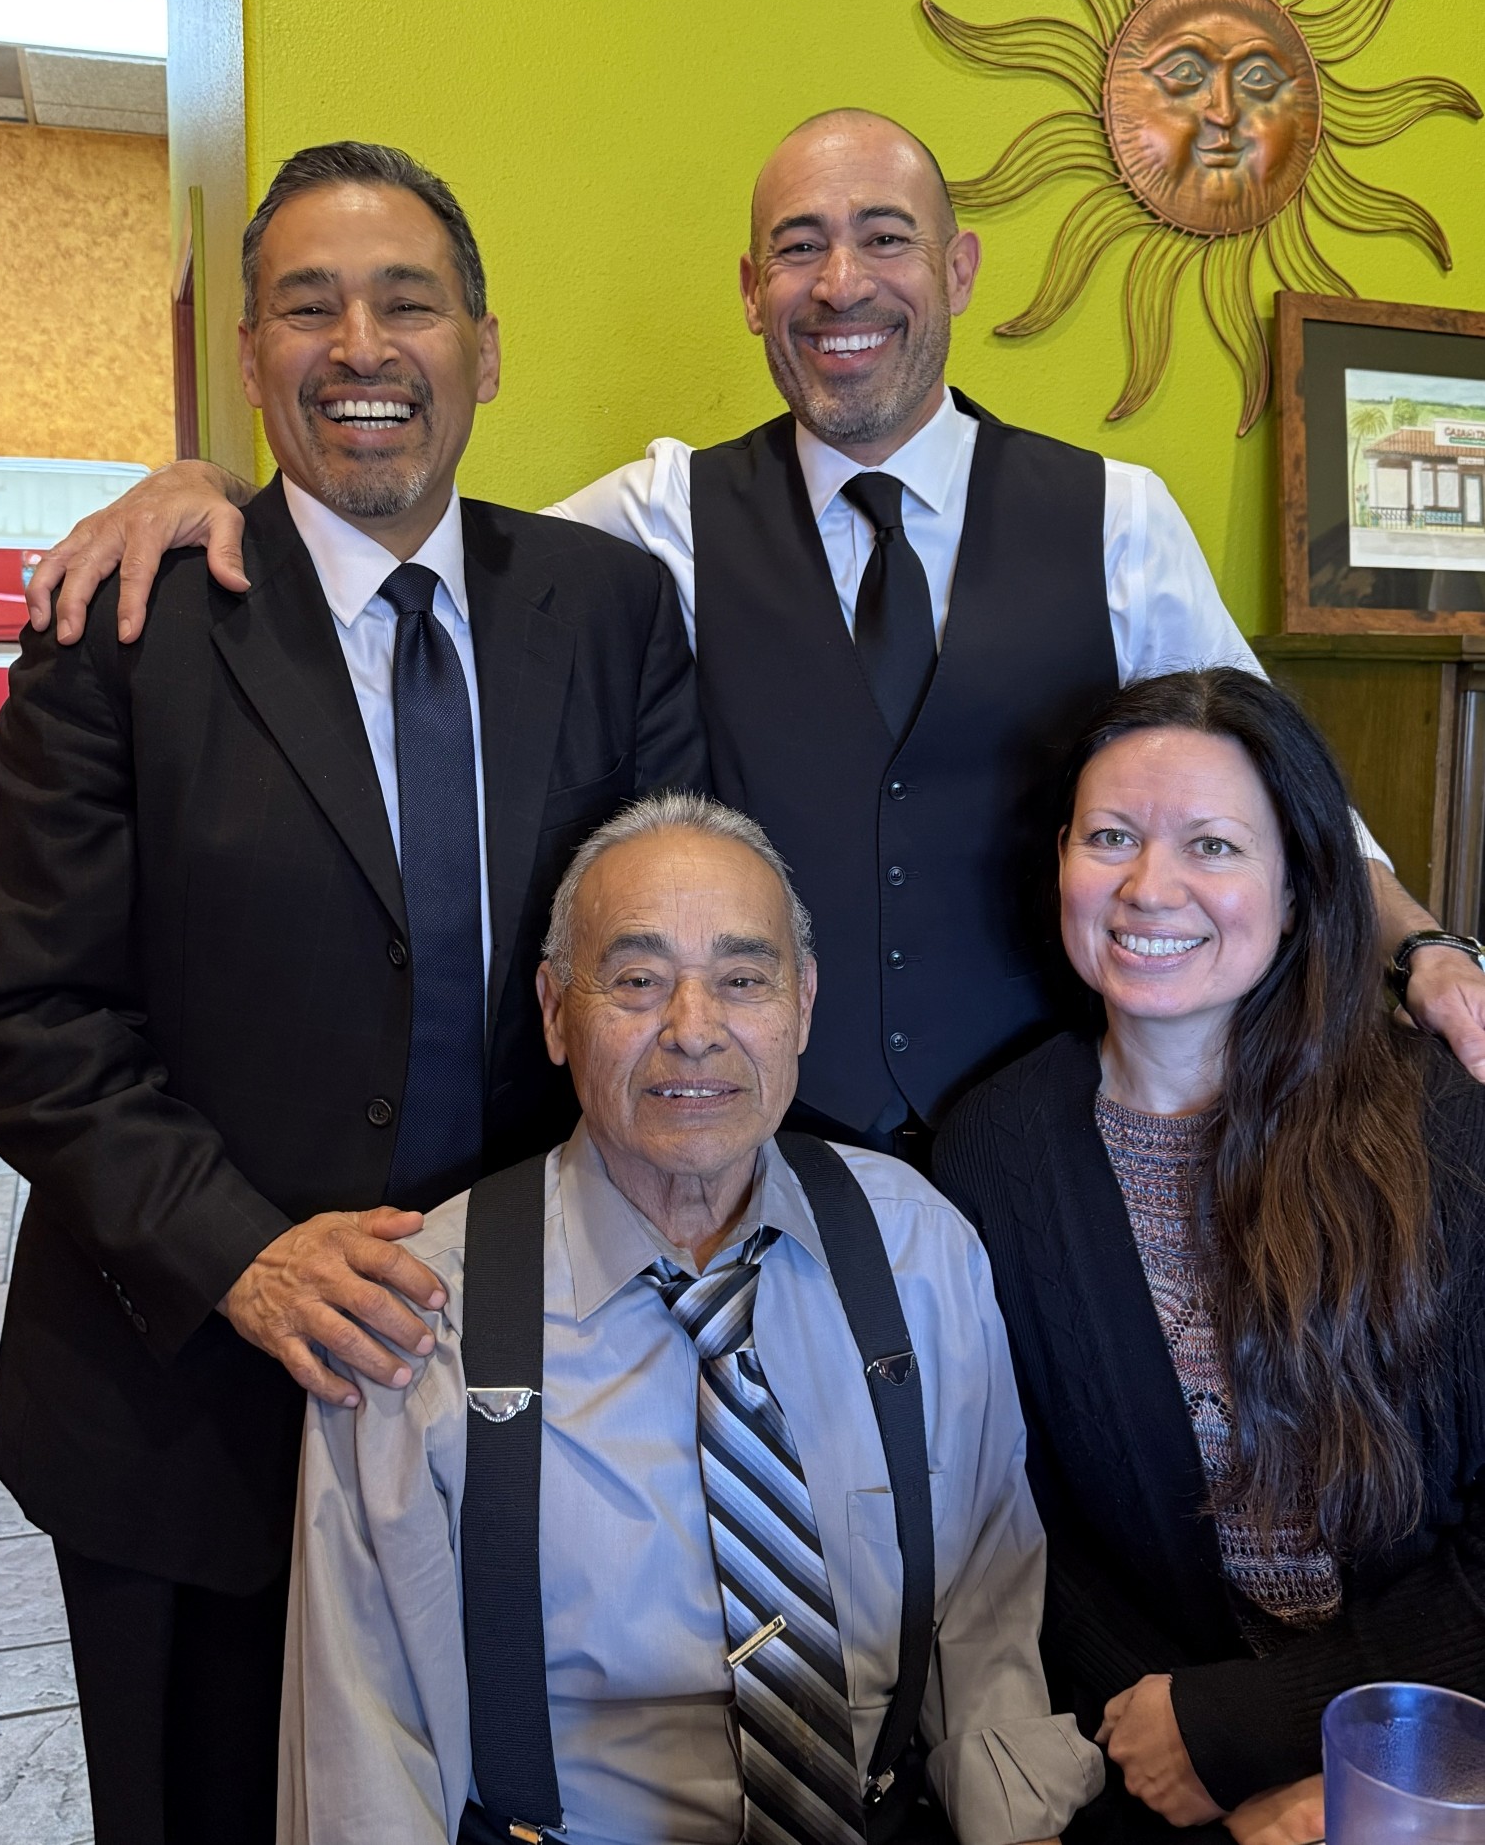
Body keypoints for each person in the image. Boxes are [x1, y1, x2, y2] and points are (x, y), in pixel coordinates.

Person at [26, 110, 1485, 1146]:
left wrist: (1420, 950)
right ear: (749, 292)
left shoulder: (1115, 514)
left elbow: (1279, 797)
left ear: (956, 271)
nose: (839, 282)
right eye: (796, 247)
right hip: (770, 1161)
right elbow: (407, 518)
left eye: (882, 238)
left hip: (1049, 1142)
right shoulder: (657, 515)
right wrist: (210, 486)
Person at [0, 142, 704, 1845]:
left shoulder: (607, 607)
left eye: (408, 303)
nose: (360, 347)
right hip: (184, 1408)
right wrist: (239, 1251)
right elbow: (26, 1010)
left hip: (534, 1384)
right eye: (307, 307)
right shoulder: (123, 616)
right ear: (248, 356)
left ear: (484, 348)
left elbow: (659, 949)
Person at [279, 789, 1105, 1845]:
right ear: (554, 1011)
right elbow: (364, 1757)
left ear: (802, 1003)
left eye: (742, 979)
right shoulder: (415, 1314)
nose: (694, 1029)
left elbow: (983, 1625)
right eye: (637, 980)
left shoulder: (917, 1251)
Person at [932, 668, 1485, 1845]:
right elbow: (1020, 1519)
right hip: (1151, 1762)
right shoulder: (993, 1151)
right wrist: (1182, 1740)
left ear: (1294, 892)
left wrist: (1277, 1738)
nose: (1148, 886)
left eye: (1212, 846)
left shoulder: (1447, 1130)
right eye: (1109, 837)